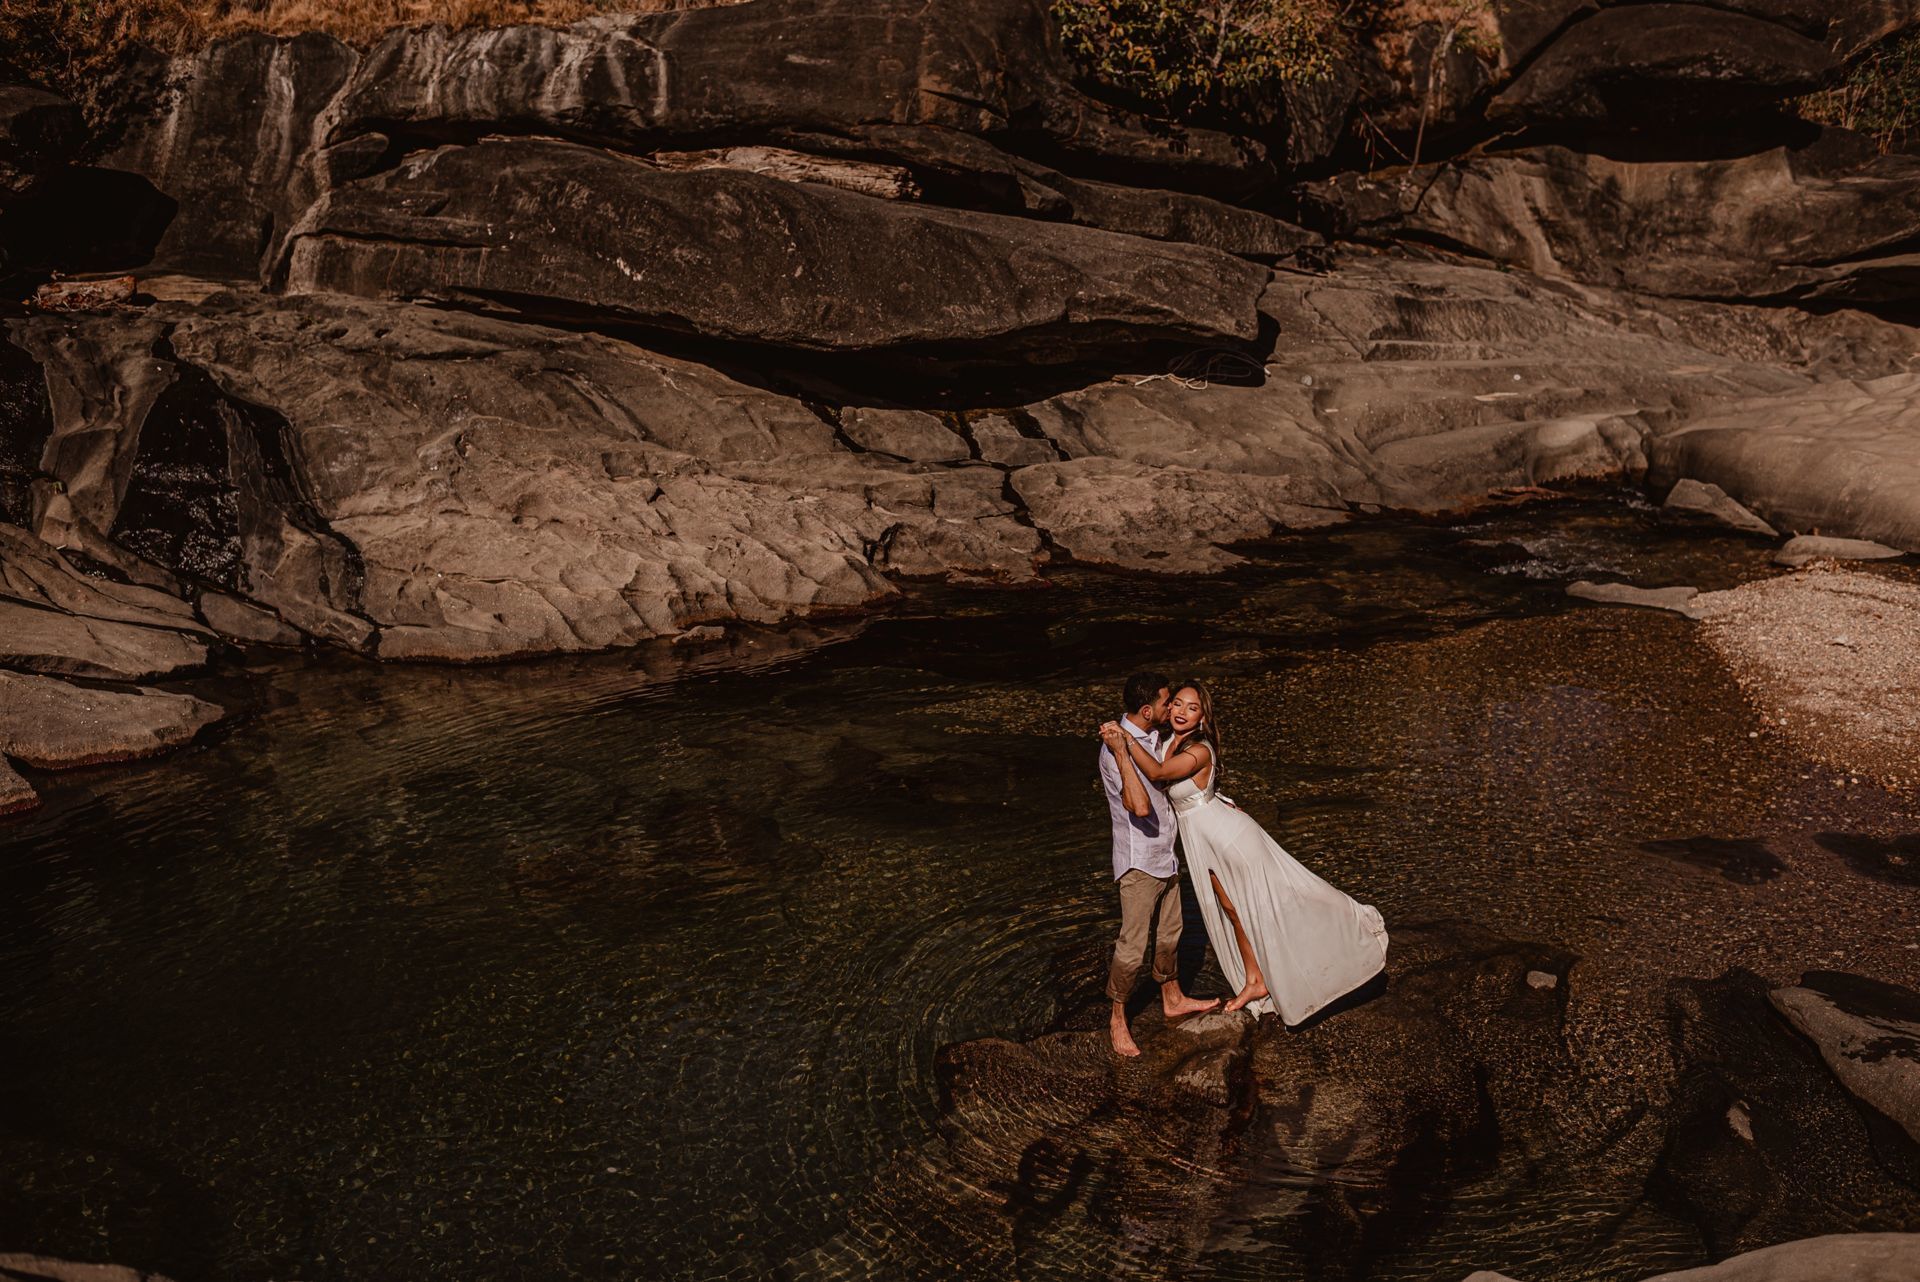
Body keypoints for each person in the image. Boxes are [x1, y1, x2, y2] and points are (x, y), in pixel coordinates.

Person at [1099, 681, 1386, 1024]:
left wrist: (1123, 738)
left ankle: (1349, 925)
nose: (1180, 712)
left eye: (1192, 708)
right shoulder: (1163, 742)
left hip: (1226, 837)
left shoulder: (1199, 748)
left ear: (1203, 717)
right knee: (1232, 909)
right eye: (1176, 704)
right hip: (1203, 840)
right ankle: (1255, 980)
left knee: (1270, 897)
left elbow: (1159, 774)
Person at [1098, 671, 1220, 1057]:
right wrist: (1121, 750)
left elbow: (1183, 773)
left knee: (1171, 933)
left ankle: (1172, 997)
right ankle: (1117, 1018)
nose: (1174, 709)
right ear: (1149, 710)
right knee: (1132, 947)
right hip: (1139, 862)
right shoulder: (1112, 750)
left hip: (1166, 854)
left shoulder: (1157, 736)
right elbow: (1140, 805)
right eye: (1169, 702)